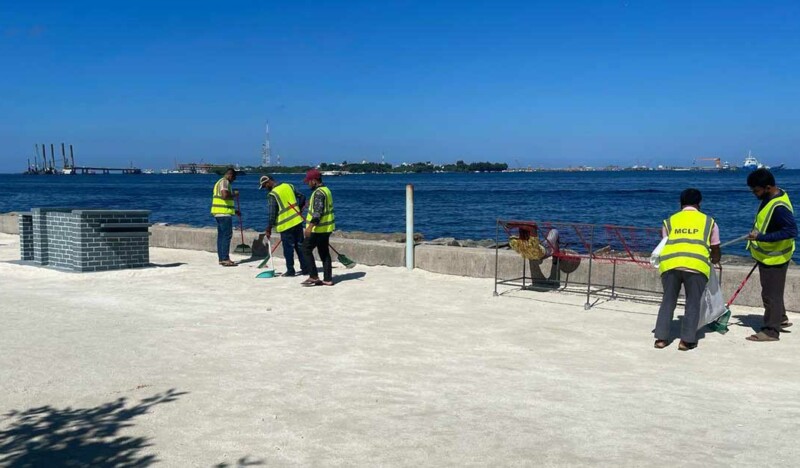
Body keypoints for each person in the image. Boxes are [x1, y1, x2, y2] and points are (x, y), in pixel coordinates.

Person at [654, 188, 721, 351]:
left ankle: (661, 339)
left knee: (668, 301)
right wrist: (715, 259)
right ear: (699, 203)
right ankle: (686, 341)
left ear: (681, 203)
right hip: (696, 266)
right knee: (693, 303)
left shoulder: (669, 221)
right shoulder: (709, 222)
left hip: (670, 264)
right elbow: (715, 248)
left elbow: (665, 242)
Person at [744, 168, 797, 342]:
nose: (754, 194)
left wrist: (761, 238)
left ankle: (771, 331)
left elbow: (791, 231)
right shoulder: (773, 196)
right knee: (774, 291)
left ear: (768, 187)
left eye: (756, 191)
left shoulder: (779, 207)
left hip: (774, 258)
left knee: (770, 295)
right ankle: (780, 318)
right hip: (769, 255)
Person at [259, 175, 309, 277]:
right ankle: (305, 268)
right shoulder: (289, 186)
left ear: (268, 182)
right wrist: (299, 208)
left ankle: (290, 271)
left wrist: (269, 228)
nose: (265, 188)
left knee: (288, 249)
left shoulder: (273, 194)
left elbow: (272, 213)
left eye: (264, 186)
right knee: (300, 246)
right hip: (297, 221)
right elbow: (302, 197)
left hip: (285, 225)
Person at [300, 169, 335, 286]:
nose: (308, 184)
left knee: (305, 248)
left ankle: (313, 276)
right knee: (324, 252)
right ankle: (328, 279)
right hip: (327, 228)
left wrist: (309, 227)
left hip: (317, 229)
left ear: (314, 180)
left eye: (309, 182)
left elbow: (318, 213)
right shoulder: (326, 190)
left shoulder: (319, 193)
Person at [210, 168, 239, 267]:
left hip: (219, 213)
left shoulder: (219, 182)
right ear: (230, 175)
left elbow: (223, 201)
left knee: (221, 236)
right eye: (234, 178)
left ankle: (221, 258)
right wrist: (234, 194)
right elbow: (224, 196)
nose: (233, 180)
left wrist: (235, 211)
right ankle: (225, 259)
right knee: (226, 235)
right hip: (224, 214)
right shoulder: (224, 182)